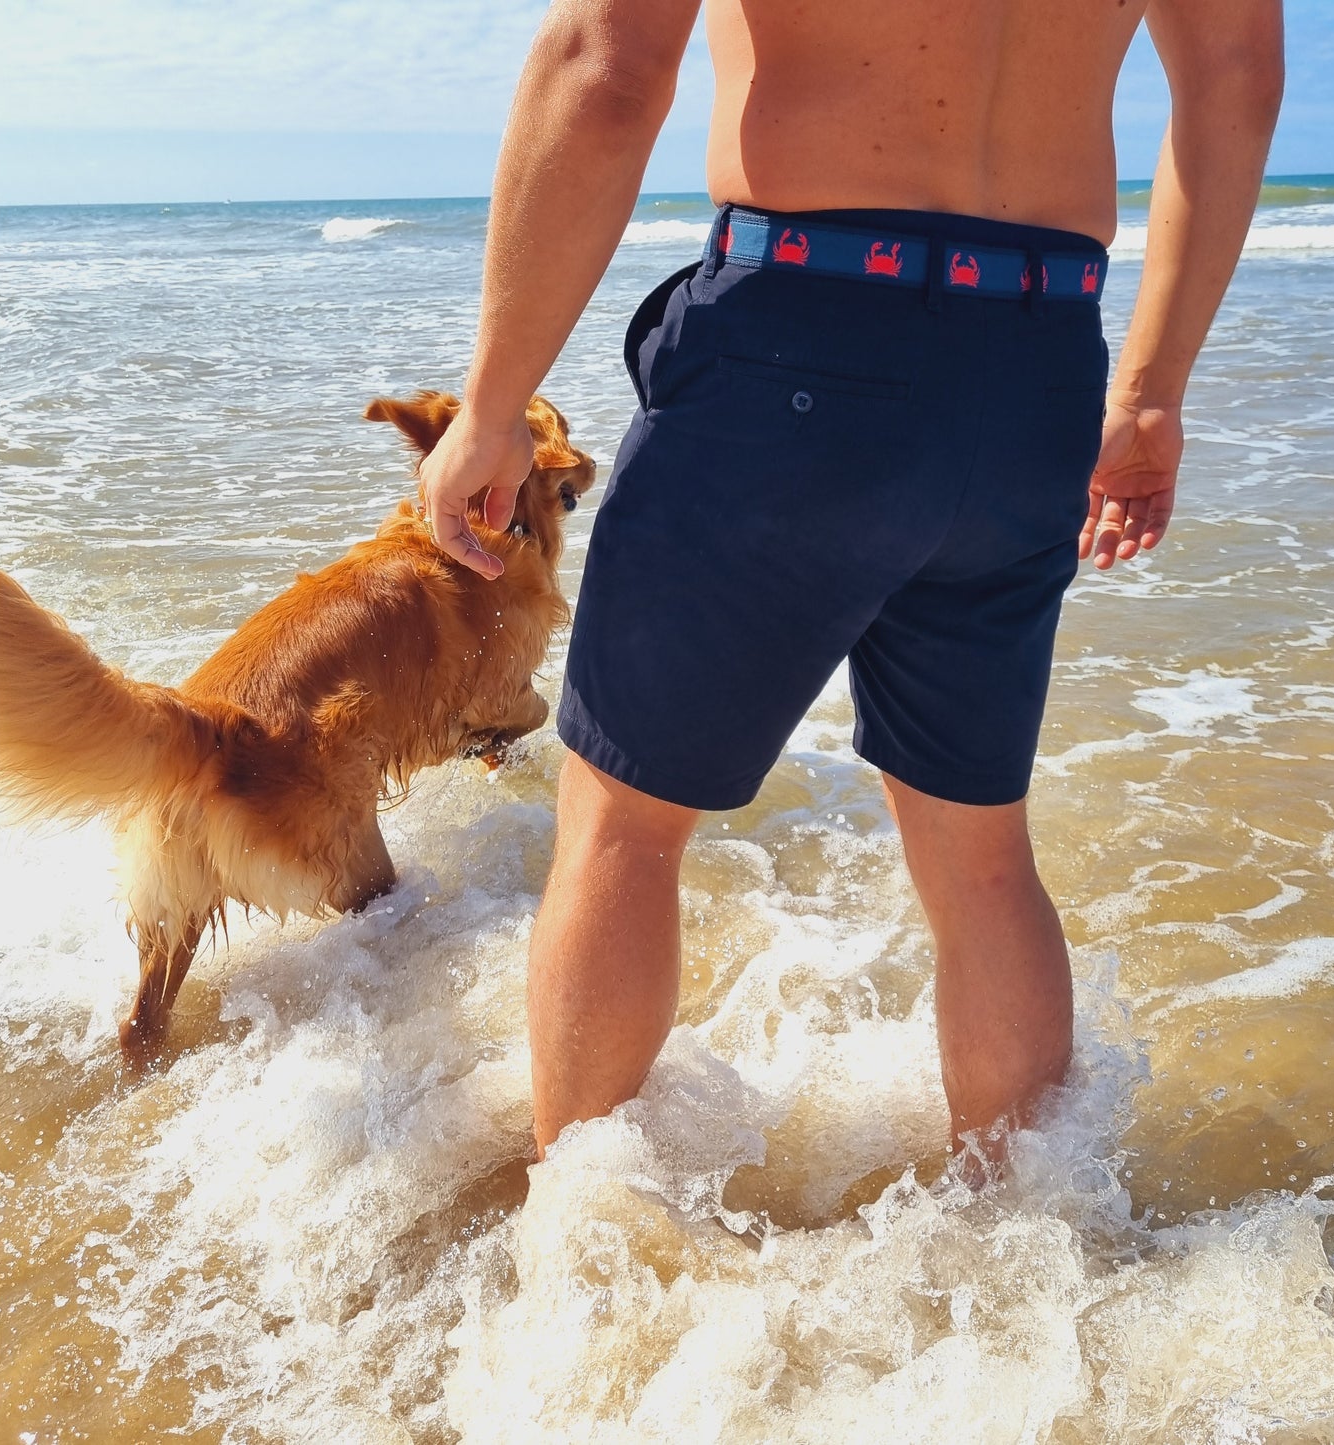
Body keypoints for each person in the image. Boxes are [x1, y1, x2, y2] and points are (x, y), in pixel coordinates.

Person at [418, 0, 1285, 1164]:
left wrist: (487, 409)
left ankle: (584, 1249)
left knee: (623, 827)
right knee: (981, 856)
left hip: (796, 338)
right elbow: (1232, 77)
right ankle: (1025, 1248)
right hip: (1033, 363)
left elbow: (605, 69)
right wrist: (1149, 392)